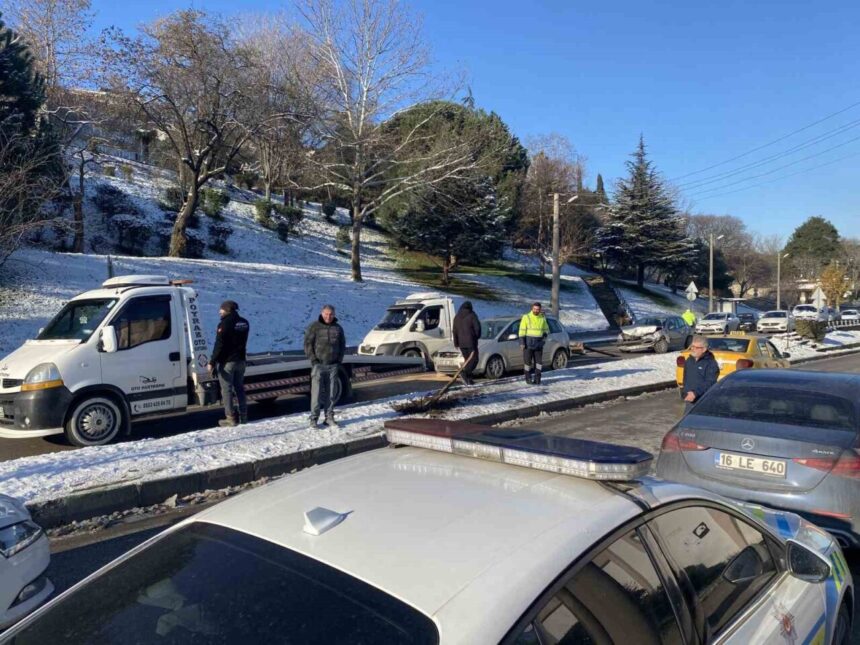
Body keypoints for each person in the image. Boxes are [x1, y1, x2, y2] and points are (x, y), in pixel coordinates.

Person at [208, 300, 250, 427]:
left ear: (227, 310)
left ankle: (230, 418)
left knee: (226, 390)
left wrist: (212, 362)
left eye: (221, 309)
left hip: (227, 362)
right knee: (239, 388)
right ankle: (244, 416)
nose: (219, 312)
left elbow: (219, 345)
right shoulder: (244, 322)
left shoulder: (224, 324)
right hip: (241, 360)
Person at [304, 304, 346, 428]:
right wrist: (313, 360)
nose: (328, 317)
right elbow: (307, 344)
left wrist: (339, 360)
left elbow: (342, 345)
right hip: (318, 365)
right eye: (326, 314)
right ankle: (314, 419)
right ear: (322, 313)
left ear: (334, 315)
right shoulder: (314, 327)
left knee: (331, 394)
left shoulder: (338, 328)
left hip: (333, 365)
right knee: (316, 394)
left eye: (331, 314)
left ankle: (329, 417)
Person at [681, 335, 719, 413]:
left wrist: (695, 393)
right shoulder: (689, 360)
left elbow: (710, 382)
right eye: (692, 346)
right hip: (690, 400)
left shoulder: (710, 363)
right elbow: (685, 378)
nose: (693, 349)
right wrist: (685, 391)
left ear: (704, 349)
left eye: (696, 347)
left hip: (703, 401)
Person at [519, 302, 550, 385]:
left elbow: (546, 329)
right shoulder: (526, 317)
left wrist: (544, 337)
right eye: (535, 309)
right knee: (527, 363)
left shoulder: (542, 318)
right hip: (528, 344)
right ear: (532, 309)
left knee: (539, 363)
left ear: (540, 310)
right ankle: (528, 378)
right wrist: (522, 343)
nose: (536, 311)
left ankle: (538, 379)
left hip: (539, 345)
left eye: (538, 309)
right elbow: (522, 331)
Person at [452, 301, 481, 385]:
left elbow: (454, 331)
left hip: (461, 343)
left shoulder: (456, 317)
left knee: (467, 361)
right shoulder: (472, 315)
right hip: (471, 342)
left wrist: (456, 343)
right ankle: (465, 373)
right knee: (474, 360)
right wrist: (476, 337)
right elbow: (478, 328)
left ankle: (469, 379)